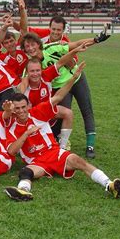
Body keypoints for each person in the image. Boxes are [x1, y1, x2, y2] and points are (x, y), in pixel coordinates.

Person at [4, 64, 120, 201]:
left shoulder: (38, 112)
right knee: (26, 172)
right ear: (13, 109)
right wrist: (26, 133)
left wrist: (73, 77)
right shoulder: (12, 126)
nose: (21, 111)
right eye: (17, 108)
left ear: (29, 106)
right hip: (36, 161)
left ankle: (109, 184)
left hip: (53, 152)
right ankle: (23, 191)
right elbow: (12, 151)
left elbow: (59, 96)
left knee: (78, 161)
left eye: (23, 107)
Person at [21, 29, 110, 158]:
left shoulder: (51, 48)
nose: (30, 48)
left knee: (86, 110)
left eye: (32, 44)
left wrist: (95, 40)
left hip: (76, 78)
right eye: (27, 46)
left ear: (38, 44)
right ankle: (62, 144)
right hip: (60, 88)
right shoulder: (31, 66)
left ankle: (90, 146)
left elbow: (75, 45)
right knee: (64, 114)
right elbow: (23, 83)